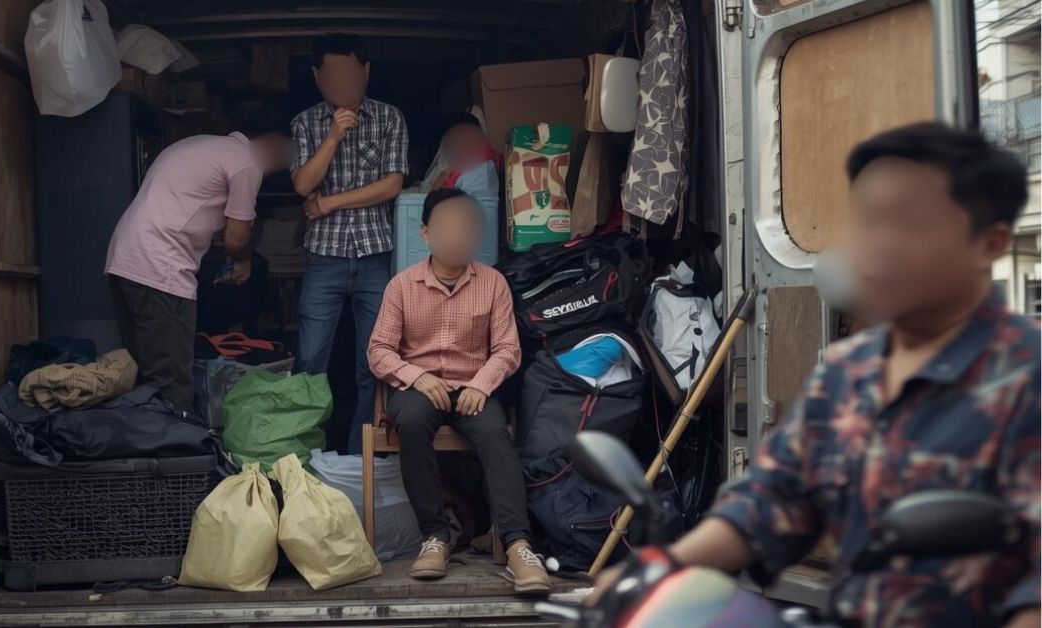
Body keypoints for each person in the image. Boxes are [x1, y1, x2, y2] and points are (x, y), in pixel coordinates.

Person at [595, 123, 1040, 627]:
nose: (880, 245)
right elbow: (768, 501)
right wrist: (664, 570)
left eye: (912, 223)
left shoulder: (1026, 380)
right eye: (867, 221)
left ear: (990, 243)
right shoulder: (851, 375)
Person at [367, 189, 550, 595]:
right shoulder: (401, 286)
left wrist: (482, 385)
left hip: (474, 389)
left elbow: (507, 349)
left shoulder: (494, 284)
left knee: (495, 436)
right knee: (411, 422)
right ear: (426, 233)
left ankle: (518, 544)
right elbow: (378, 351)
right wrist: (415, 376)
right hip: (420, 387)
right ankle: (435, 537)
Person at [104, 128, 293, 412]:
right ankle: (172, 452)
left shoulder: (199, 145)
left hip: (125, 258)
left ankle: (143, 445)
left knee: (142, 373)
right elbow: (237, 236)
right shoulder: (247, 163)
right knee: (171, 381)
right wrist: (243, 261)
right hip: (161, 267)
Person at [291, 32, 410, 454]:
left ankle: (363, 456)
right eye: (332, 74)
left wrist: (328, 204)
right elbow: (302, 182)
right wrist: (333, 136)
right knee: (309, 360)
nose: (343, 81)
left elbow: (393, 185)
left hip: (376, 256)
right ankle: (304, 454)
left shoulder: (390, 117)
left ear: (366, 71)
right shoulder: (306, 123)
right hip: (324, 258)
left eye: (350, 72)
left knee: (373, 362)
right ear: (317, 77)